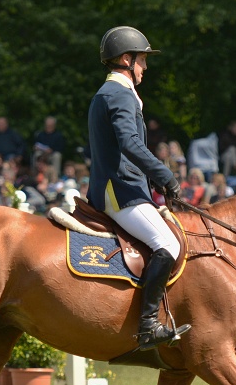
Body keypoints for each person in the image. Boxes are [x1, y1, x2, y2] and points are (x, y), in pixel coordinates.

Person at [87, 26, 189, 350]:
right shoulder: (117, 93)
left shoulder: (115, 92)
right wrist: (166, 177)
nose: (145, 68)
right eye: (142, 61)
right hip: (119, 191)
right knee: (168, 246)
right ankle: (147, 326)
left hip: (126, 187)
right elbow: (129, 143)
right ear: (127, 59)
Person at [33, 116, 66, 181]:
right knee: (36, 154)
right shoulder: (40, 134)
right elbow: (36, 144)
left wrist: (51, 150)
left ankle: (55, 176)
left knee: (57, 156)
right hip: (42, 153)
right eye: (47, 125)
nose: (48, 127)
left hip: (52, 154)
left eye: (50, 125)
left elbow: (60, 148)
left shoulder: (58, 135)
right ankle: (35, 175)